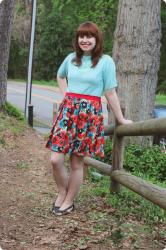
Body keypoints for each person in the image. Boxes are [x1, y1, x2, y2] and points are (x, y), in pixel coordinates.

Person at [46, 21, 132, 216]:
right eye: (81, 36)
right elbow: (60, 76)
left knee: (77, 163)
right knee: (55, 159)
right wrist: (65, 95)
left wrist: (120, 118)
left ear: (96, 39)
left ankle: (68, 201)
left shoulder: (106, 61)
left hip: (88, 115)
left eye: (89, 36)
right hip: (67, 113)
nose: (85, 40)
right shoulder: (71, 59)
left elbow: (110, 93)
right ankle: (62, 192)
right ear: (78, 39)